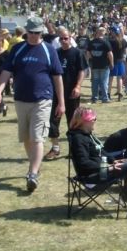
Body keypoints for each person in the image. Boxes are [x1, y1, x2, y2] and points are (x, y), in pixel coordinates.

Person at [0, 16, 65, 193]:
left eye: (37, 33)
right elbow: (6, 71)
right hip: (21, 99)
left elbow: (57, 77)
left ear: (42, 33)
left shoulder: (49, 50)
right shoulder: (18, 49)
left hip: (43, 99)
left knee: (37, 137)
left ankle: (32, 174)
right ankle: (35, 165)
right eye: (31, 32)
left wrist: (61, 102)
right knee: (26, 137)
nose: (33, 35)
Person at [67, 107, 127, 219]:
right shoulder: (79, 138)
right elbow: (84, 164)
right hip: (92, 177)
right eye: (94, 119)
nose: (95, 121)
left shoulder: (87, 135)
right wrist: (110, 167)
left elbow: (101, 151)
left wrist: (113, 161)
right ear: (85, 121)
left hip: (100, 171)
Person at [45, 28, 84, 160]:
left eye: (65, 38)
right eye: (61, 39)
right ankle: (55, 148)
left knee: (72, 121)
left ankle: (73, 149)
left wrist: (78, 86)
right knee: (53, 121)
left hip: (72, 92)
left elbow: (82, 71)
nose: (63, 41)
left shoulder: (77, 53)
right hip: (56, 93)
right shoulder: (55, 53)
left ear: (70, 38)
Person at [86, 27, 113, 104]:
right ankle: (104, 98)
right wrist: (112, 63)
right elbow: (110, 54)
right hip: (104, 65)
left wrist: (90, 60)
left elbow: (88, 53)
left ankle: (94, 98)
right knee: (104, 82)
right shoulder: (106, 42)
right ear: (103, 33)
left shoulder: (91, 42)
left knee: (95, 82)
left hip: (94, 64)